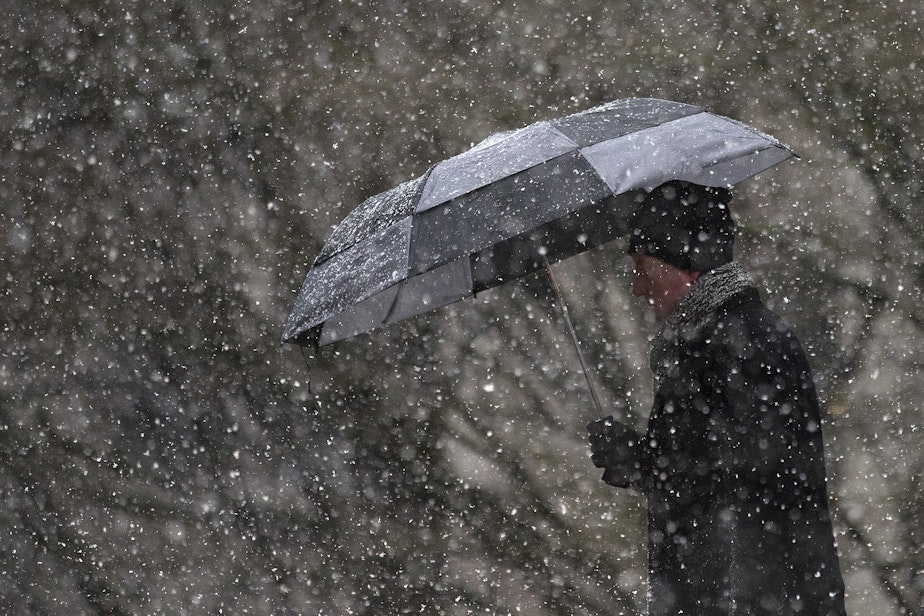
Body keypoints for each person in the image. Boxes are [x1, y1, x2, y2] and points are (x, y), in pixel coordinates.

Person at [588, 181, 847, 615]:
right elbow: (711, 469)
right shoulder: (706, 342)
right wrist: (642, 461)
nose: (637, 288)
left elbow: (748, 483)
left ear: (689, 267)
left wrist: (645, 462)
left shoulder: (743, 343)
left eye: (643, 269)